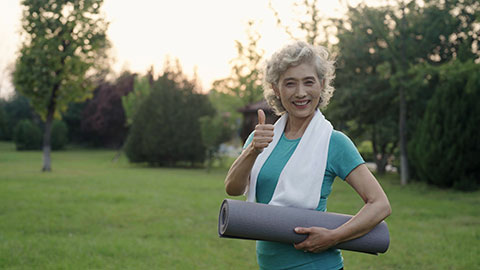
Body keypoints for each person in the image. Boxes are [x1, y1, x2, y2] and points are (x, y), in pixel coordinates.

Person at [224, 41, 391, 270]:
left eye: (308, 82)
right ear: (276, 88)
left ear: (321, 85)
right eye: (290, 83)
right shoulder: (262, 138)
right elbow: (233, 188)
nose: (300, 93)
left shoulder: (334, 142)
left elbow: (380, 204)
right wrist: (253, 150)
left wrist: (334, 236)